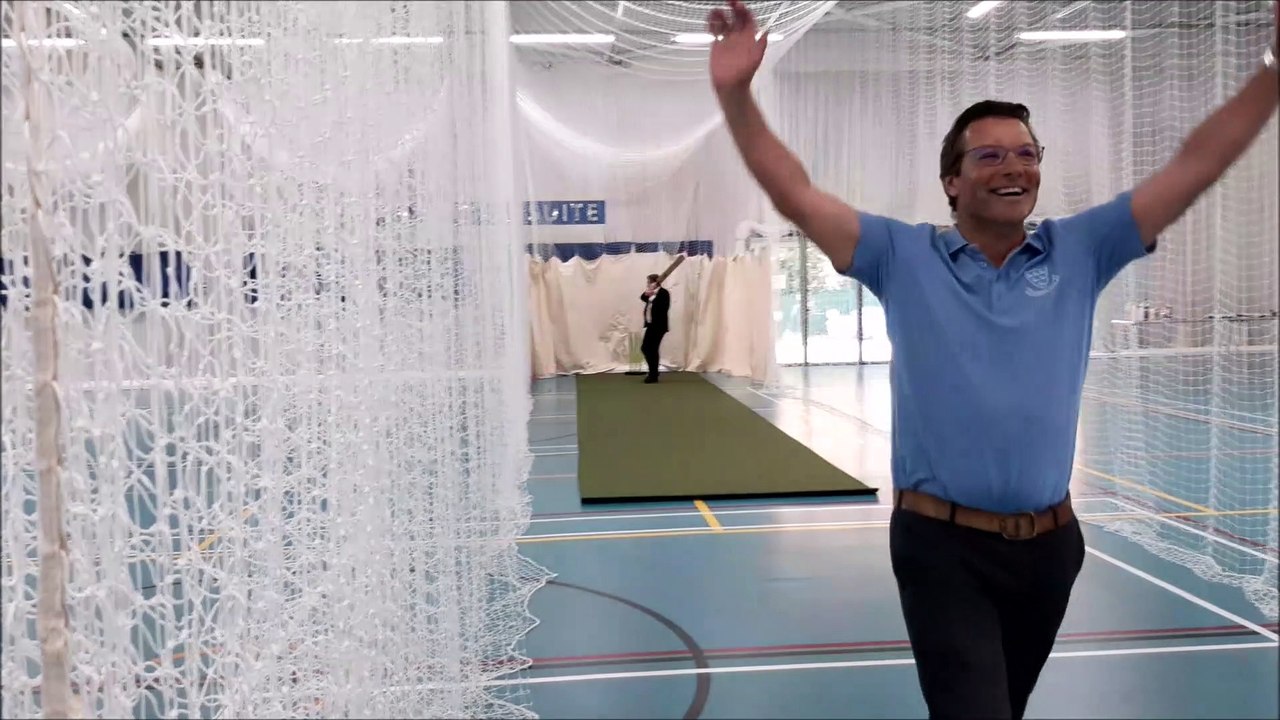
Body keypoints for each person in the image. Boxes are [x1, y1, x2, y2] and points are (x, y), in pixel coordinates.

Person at [705, 1, 1278, 717]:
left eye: (1027, 154)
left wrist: (1272, 71)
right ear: (952, 180)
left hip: (1052, 548)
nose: (1013, 167)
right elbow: (794, 192)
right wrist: (736, 94)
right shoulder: (901, 255)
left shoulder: (1082, 248)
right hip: (940, 547)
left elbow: (1196, 165)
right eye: (990, 155)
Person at [640, 273, 670, 383]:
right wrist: (649, 292)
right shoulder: (651, 292)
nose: (647, 284)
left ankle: (653, 374)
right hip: (650, 325)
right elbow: (642, 297)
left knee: (650, 348)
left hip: (658, 326)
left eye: (649, 282)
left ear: (655, 282)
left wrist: (653, 295)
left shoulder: (663, 293)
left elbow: (663, 307)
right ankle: (654, 372)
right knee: (646, 348)